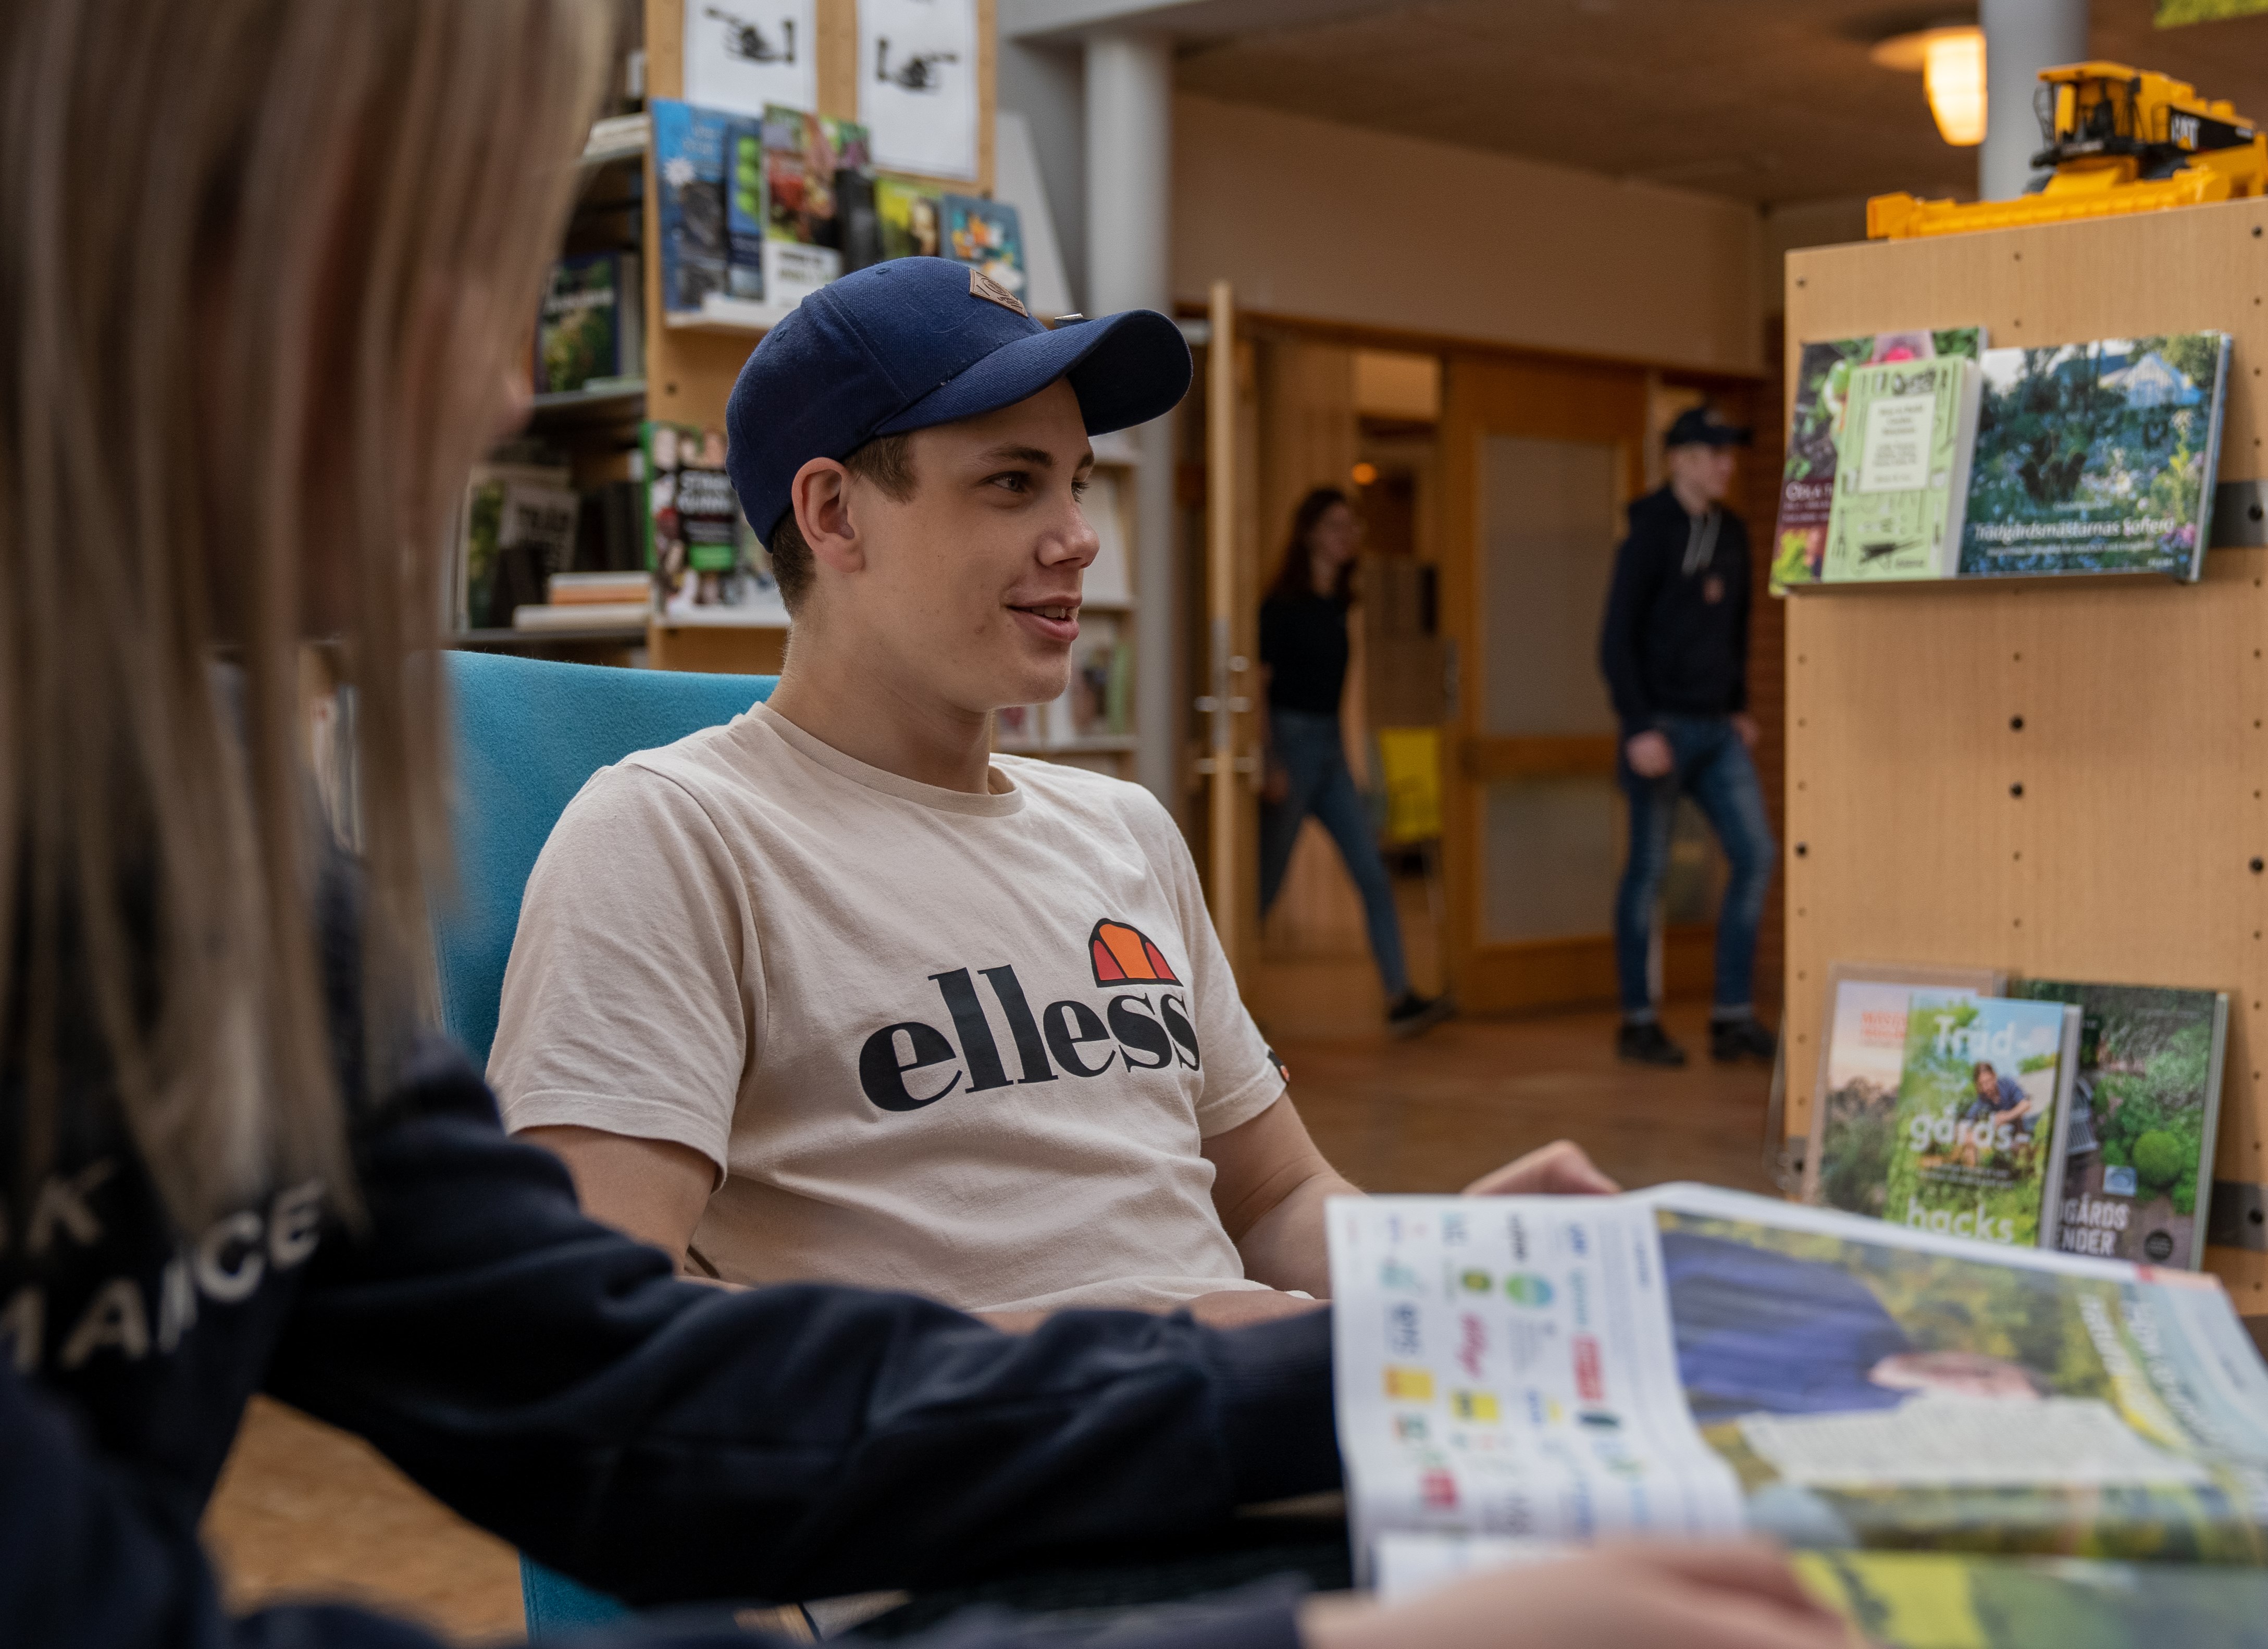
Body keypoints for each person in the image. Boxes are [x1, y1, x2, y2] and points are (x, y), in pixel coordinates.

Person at [0, 4, 1854, 1647]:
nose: (500, 386)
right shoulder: (671, 834)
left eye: (1078, 483)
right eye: (429, 260)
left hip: (1124, 1444)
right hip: (1010, 1542)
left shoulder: (208, 863)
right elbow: (619, 1382)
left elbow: (607, 1382)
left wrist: (1423, 1319)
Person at [486, 263, 1607, 1325]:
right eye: (1011, 482)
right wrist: (1106, 1351)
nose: (1077, 539)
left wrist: (1459, 1266)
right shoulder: (675, 835)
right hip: (1003, 1489)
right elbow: (597, 1324)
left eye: (1072, 482)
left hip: (1254, 1435)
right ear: (832, 515)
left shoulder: (1123, 828)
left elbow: (1272, 1199)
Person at [1598, 405, 1778, 1069]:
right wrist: (1638, 725)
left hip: (1716, 729)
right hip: (1660, 729)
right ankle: (1637, 1020)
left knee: (1755, 854)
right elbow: (1614, 642)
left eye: (1729, 451)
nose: (1724, 463)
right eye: (1708, 451)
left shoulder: (1732, 532)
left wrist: (1738, 705)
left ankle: (1731, 1016)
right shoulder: (1647, 533)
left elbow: (1734, 629)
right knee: (1648, 872)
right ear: (1676, 458)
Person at [1257, 489, 1455, 1039]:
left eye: (1352, 526)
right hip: (1291, 744)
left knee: (1372, 872)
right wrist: (1269, 761)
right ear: (1310, 534)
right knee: (1263, 885)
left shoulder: (1338, 603)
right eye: (1337, 526)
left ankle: (1400, 999)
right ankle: (1219, 1008)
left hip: (1328, 749)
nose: (1349, 536)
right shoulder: (1280, 605)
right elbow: (1257, 688)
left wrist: (1347, 759)